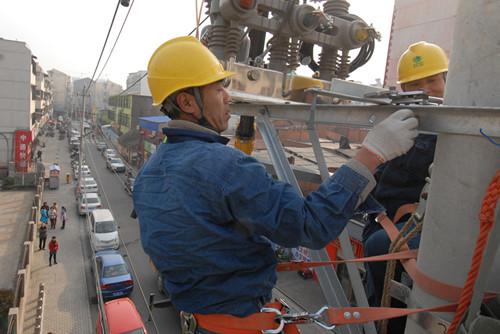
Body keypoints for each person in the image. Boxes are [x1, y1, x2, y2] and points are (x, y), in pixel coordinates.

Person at [133, 36, 418, 333]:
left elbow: (192, 244)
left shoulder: (149, 173)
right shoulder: (226, 167)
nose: (228, 96)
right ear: (187, 102)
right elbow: (310, 225)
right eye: (218, 89)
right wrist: (370, 155)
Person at [362, 41, 448, 334]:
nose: (426, 90)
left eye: (432, 80)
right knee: (375, 250)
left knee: (379, 248)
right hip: (388, 219)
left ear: (446, 80)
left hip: (426, 224)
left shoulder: (457, 129)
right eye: (414, 85)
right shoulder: (399, 124)